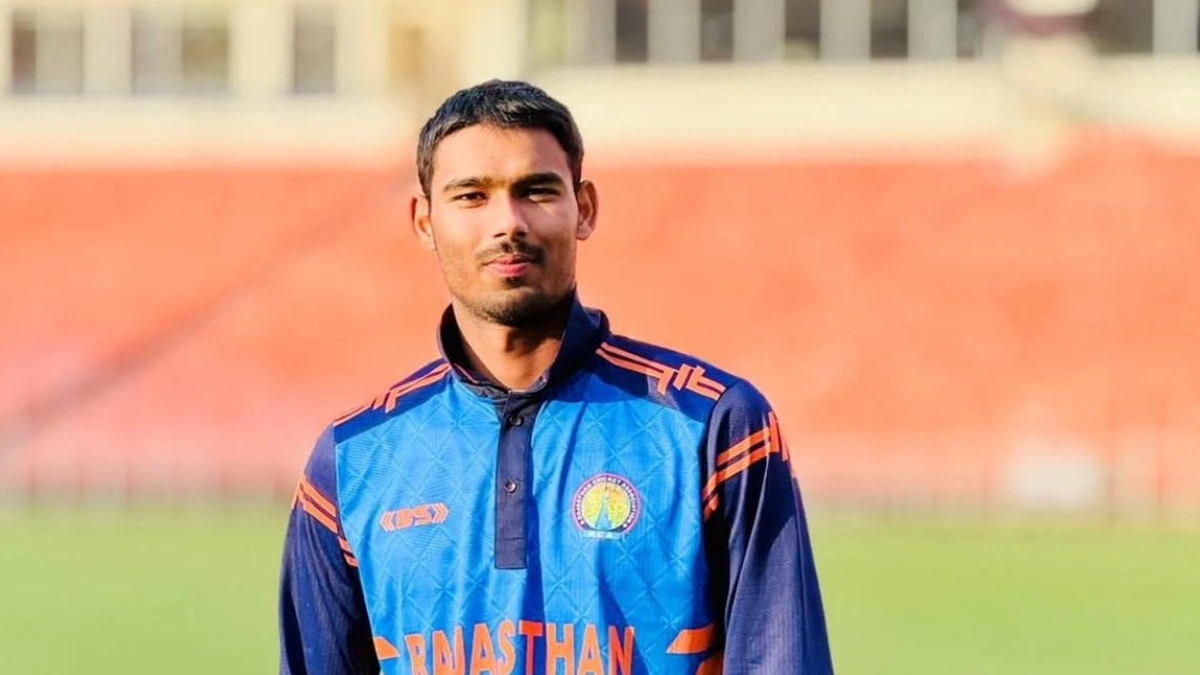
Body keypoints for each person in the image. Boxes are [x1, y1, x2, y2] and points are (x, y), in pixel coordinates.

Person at [278, 79, 833, 675]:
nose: (508, 223)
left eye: (536, 191)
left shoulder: (715, 425)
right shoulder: (353, 460)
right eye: (471, 196)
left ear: (584, 208)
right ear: (424, 221)